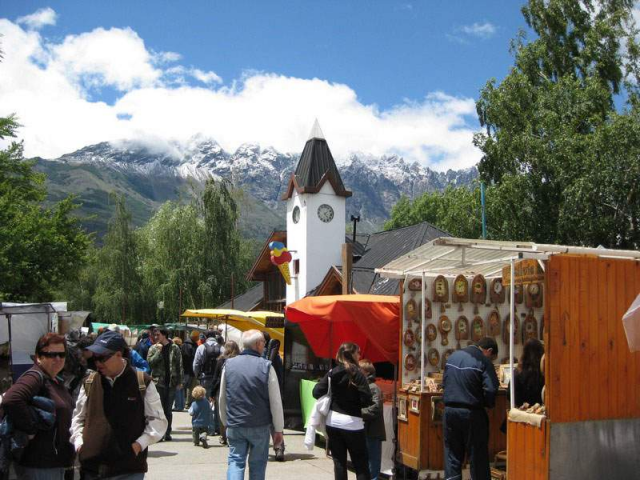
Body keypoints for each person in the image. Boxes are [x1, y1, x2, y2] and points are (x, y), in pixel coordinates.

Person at [70, 330, 168, 479]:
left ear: (119, 354)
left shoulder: (142, 381)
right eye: (95, 358)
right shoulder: (89, 381)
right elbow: (78, 417)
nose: (97, 363)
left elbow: (158, 421)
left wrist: (138, 445)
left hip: (128, 470)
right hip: (92, 469)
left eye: (102, 358)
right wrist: (79, 443)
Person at [2, 334, 75, 480]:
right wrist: (30, 427)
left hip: (54, 463)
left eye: (61, 354)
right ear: (38, 357)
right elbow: (11, 399)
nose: (58, 359)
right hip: (38, 463)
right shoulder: (35, 376)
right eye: (51, 355)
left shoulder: (55, 379)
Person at [219, 330, 284, 480]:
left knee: (235, 461)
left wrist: (224, 421)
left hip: (235, 424)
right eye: (263, 343)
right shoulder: (267, 366)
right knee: (258, 464)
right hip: (259, 425)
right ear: (257, 344)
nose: (264, 346)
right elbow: (275, 401)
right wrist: (278, 429)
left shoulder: (228, 365)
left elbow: (222, 397)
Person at [312, 342, 373, 480]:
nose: (359, 355)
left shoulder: (332, 372)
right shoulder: (358, 374)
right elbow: (367, 398)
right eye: (358, 352)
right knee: (360, 464)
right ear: (351, 354)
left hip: (333, 422)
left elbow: (316, 392)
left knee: (339, 463)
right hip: (353, 423)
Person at [443, 337, 499, 480]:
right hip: (472, 413)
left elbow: (444, 383)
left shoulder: (453, 357)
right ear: (489, 351)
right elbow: (491, 389)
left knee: (452, 456)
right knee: (477, 457)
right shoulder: (484, 361)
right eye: (492, 358)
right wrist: (487, 403)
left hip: (449, 411)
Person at [147, 328, 183, 441]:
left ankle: (167, 433)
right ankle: (159, 433)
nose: (156, 337)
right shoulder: (153, 348)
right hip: (158, 383)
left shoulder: (174, 348)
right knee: (159, 410)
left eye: (158, 335)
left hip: (171, 383)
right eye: (155, 335)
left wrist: (180, 381)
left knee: (168, 410)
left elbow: (179, 365)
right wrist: (158, 352)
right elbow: (150, 363)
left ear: (164, 335)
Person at [359, 360, 386, 480]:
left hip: (373, 431)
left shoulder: (374, 388)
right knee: (365, 461)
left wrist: (358, 413)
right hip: (364, 430)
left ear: (366, 372)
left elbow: (376, 408)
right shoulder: (363, 386)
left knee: (373, 463)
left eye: (359, 370)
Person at [212, 340, 240, 445]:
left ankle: (223, 436)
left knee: (222, 412)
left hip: (222, 388)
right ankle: (232, 436)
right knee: (234, 413)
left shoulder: (221, 360)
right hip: (236, 390)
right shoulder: (239, 360)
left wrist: (212, 393)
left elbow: (216, 378)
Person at [262, 332, 285, 461]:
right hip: (274, 391)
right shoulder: (275, 355)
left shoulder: (258, 355)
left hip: (261, 393)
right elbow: (280, 374)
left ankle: (261, 449)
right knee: (276, 422)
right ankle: (279, 447)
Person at [193, 330, 222, 432]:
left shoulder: (201, 347)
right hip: (219, 380)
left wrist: (197, 375)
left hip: (205, 378)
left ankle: (210, 428)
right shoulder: (221, 348)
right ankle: (219, 428)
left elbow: (196, 364)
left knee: (206, 403)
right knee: (218, 403)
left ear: (206, 337)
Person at [513, 338, 545, 407]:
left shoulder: (518, 371)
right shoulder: (545, 372)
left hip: (522, 411)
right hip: (541, 410)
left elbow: (511, 393)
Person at [182, 330, 200, 408]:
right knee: (189, 386)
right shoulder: (189, 345)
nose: (199, 339)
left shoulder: (192, 344)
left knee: (190, 386)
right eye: (198, 337)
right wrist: (192, 370)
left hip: (190, 369)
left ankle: (188, 402)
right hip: (188, 370)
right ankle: (187, 403)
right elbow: (187, 358)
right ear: (195, 337)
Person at [172, 337, 185, 411]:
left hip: (178, 371)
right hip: (184, 371)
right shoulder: (182, 349)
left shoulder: (176, 350)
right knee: (181, 389)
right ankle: (181, 405)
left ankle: (178, 406)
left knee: (177, 389)